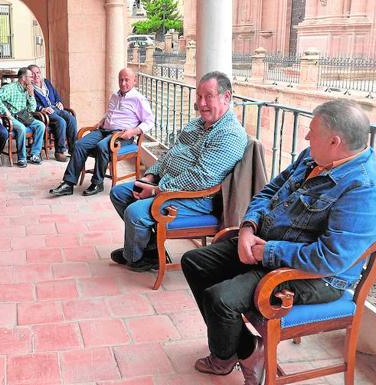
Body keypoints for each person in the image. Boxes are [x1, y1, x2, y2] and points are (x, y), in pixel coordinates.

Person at [181, 99, 376, 385]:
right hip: (268, 245)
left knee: (220, 298)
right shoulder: (312, 157)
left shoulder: (363, 188)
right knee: (195, 262)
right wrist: (248, 227)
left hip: (316, 276)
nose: (307, 137)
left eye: (312, 131)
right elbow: (270, 190)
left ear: (335, 141)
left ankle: (231, 355)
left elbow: (331, 259)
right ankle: (248, 348)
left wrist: (266, 252)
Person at [109, 71, 248, 271]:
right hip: (168, 184)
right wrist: (150, 176)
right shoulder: (197, 124)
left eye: (208, 96)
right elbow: (170, 154)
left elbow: (201, 178)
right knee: (119, 193)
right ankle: (150, 250)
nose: (201, 104)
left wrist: (157, 190)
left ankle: (136, 257)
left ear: (226, 97)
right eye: (199, 96)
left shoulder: (230, 134)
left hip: (196, 199)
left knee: (135, 212)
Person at [49, 68, 154, 196]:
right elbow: (111, 112)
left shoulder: (139, 99)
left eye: (127, 80)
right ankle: (68, 184)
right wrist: (102, 120)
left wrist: (133, 131)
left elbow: (149, 121)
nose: (123, 83)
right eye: (121, 80)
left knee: (102, 146)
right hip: (104, 130)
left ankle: (97, 183)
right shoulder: (115, 95)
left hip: (122, 136)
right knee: (79, 144)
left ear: (134, 81)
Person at [0, 67, 46, 168]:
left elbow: (32, 109)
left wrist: (31, 95)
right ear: (23, 78)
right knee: (21, 128)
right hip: (11, 117)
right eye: (30, 77)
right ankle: (21, 158)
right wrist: (6, 112)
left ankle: (34, 154)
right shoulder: (10, 88)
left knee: (41, 125)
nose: (32, 79)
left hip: (23, 116)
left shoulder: (28, 89)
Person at [28, 64, 77, 162]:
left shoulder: (46, 82)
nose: (36, 75)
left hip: (56, 108)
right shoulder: (29, 87)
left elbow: (55, 94)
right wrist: (42, 108)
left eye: (37, 72)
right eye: (32, 74)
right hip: (44, 113)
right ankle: (59, 151)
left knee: (71, 118)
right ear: (29, 76)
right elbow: (30, 103)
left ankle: (73, 149)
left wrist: (59, 102)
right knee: (61, 121)